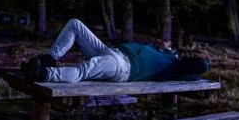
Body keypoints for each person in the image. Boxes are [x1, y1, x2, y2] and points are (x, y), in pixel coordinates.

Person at [23, 18, 210, 83]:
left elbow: (201, 65)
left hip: (122, 66)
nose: (163, 41)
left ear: (174, 52)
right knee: (75, 24)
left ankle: (44, 74)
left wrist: (201, 62)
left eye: (167, 42)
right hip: (111, 52)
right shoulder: (157, 51)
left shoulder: (173, 66)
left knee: (84, 70)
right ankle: (49, 60)